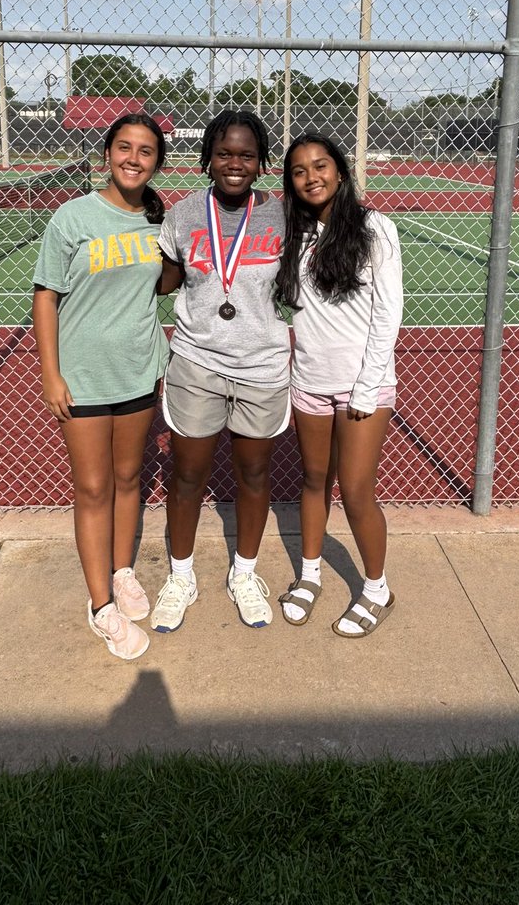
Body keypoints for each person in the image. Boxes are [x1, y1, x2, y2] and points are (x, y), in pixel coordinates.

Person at [32, 113, 169, 661]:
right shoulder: (73, 218)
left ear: (157, 161)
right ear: (107, 153)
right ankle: (99, 607)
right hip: (84, 376)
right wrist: (51, 373)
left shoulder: (158, 221)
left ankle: (122, 572)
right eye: (124, 148)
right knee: (92, 489)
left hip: (138, 368)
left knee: (129, 476)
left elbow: (168, 280)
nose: (134, 159)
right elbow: (46, 297)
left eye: (145, 151)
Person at [150, 109, 290, 633]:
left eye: (247, 155)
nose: (236, 163)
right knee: (188, 476)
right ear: (208, 158)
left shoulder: (282, 216)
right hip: (197, 363)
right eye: (226, 153)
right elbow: (163, 282)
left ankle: (245, 573)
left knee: (254, 475)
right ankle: (181, 577)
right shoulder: (184, 215)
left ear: (261, 163)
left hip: (262, 366)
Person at [275, 132, 403, 638]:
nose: (312, 177)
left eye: (321, 165)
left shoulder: (375, 229)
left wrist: (367, 385)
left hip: (361, 387)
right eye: (300, 170)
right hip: (308, 381)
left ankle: (377, 590)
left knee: (354, 490)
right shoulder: (293, 232)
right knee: (312, 482)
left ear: (341, 171)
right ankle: (309, 576)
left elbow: (388, 313)